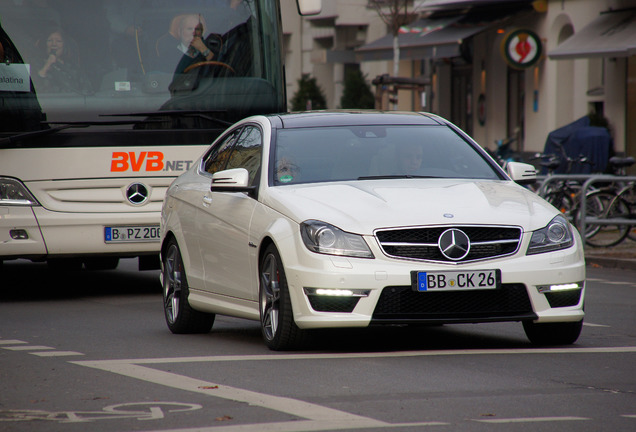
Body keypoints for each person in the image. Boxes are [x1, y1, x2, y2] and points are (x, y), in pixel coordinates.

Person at [33, 29, 93, 94]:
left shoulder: (73, 68)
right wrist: (47, 65)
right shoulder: (35, 64)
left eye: (58, 41)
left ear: (64, 45)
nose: (54, 44)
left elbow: (87, 90)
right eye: (50, 40)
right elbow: (35, 87)